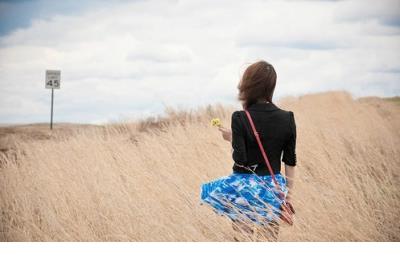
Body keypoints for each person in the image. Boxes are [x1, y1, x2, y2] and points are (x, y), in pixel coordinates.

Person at [200, 60, 297, 241]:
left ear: (248, 85)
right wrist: (288, 197)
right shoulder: (287, 118)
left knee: (243, 240)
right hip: (272, 188)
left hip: (243, 187)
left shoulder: (240, 117)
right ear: (271, 86)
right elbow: (290, 162)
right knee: (268, 241)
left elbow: (240, 160)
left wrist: (232, 139)